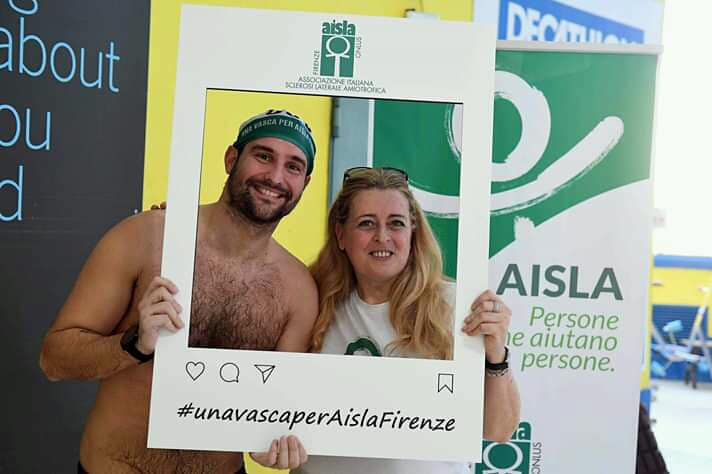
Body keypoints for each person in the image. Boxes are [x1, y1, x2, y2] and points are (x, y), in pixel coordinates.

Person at [39, 110, 319, 473]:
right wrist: (134, 345)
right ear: (231, 159)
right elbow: (54, 360)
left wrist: (272, 443)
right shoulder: (146, 237)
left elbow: (277, 407)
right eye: (263, 156)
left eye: (293, 166)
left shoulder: (298, 290)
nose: (275, 177)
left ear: (304, 183)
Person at [268, 166, 520, 474]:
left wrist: (496, 356)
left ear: (413, 234)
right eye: (366, 223)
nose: (382, 237)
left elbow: (498, 430)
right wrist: (268, 443)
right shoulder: (310, 298)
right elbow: (270, 404)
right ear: (341, 235)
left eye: (396, 223)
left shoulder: (456, 306)